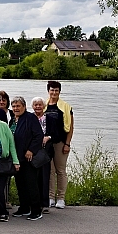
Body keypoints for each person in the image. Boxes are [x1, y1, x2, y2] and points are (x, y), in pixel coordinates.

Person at [11, 96, 45, 220]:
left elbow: (39, 135)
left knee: (31, 184)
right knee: (20, 184)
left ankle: (36, 210)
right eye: (14, 106)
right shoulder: (13, 120)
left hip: (28, 157)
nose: (16, 108)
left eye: (18, 106)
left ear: (24, 107)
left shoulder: (30, 118)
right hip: (17, 158)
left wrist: (31, 150)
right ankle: (24, 207)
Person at [46, 81, 74, 209]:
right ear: (48, 91)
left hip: (60, 142)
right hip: (47, 143)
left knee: (60, 170)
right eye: (52, 90)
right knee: (50, 171)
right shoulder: (44, 105)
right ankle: (51, 197)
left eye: (56, 90)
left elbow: (71, 127)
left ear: (59, 92)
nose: (54, 92)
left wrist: (67, 143)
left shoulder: (65, 107)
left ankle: (61, 198)